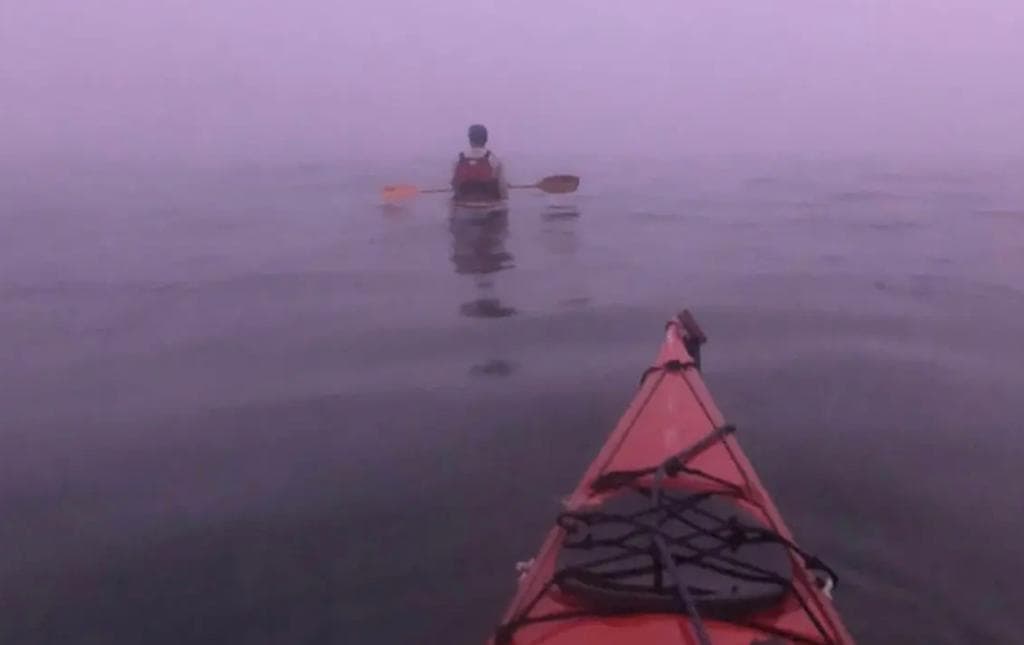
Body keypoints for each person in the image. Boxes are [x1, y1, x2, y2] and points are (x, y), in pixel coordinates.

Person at [451, 124, 509, 202]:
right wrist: (504, 199)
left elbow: (454, 182)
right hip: (489, 205)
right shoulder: (494, 159)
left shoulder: (458, 159)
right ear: (486, 139)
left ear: (470, 139)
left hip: (463, 204)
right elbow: (502, 187)